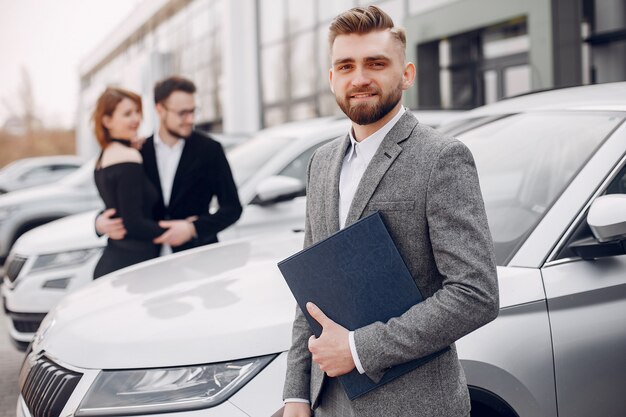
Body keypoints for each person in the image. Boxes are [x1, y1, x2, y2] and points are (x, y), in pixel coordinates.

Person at [282, 6, 499, 417]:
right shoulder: (322, 162)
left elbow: (476, 294)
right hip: (329, 405)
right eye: (345, 66)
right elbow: (309, 290)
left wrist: (359, 349)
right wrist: (296, 394)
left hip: (413, 405)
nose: (359, 78)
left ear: (406, 74)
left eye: (376, 64)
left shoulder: (442, 158)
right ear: (332, 78)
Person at [96, 76, 242, 255]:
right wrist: (99, 223)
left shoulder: (210, 150)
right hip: (147, 260)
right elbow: (125, 202)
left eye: (193, 111)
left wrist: (192, 228)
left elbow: (232, 208)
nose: (190, 119)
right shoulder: (138, 152)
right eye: (182, 113)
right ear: (160, 110)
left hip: (198, 257)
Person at [92, 87, 167, 278]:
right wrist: (177, 229)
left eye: (137, 112)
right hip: (132, 266)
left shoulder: (104, 156)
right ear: (107, 121)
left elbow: (117, 208)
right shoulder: (128, 156)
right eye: (127, 114)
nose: (136, 119)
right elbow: (133, 223)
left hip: (117, 261)